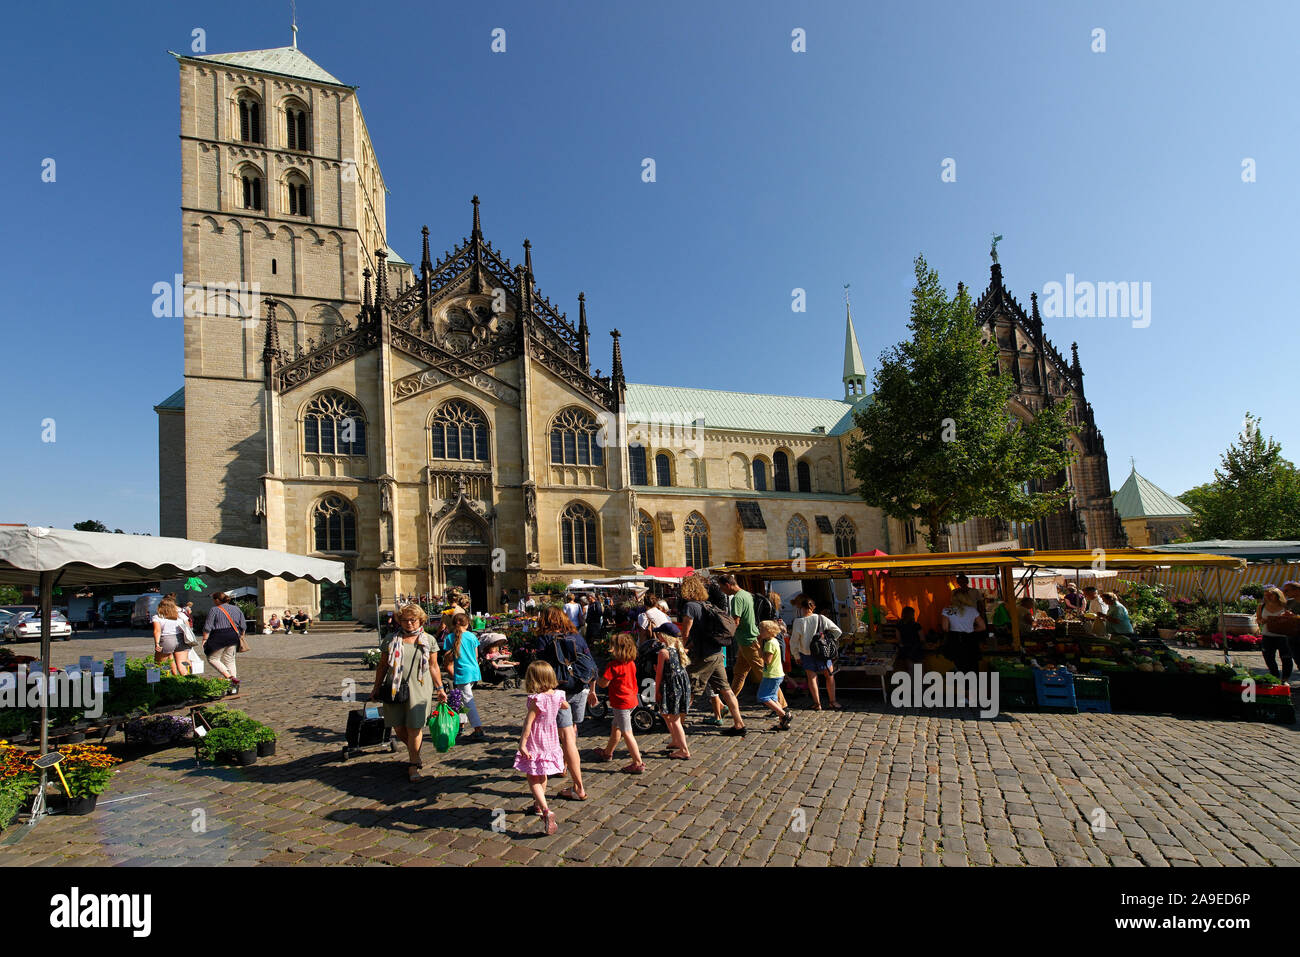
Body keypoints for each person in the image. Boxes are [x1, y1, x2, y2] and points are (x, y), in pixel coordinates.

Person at [371, 603, 446, 782]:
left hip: (420, 687)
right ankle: (415, 751)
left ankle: (413, 764)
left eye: (412, 620)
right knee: (398, 726)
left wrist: (440, 688)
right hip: (394, 688)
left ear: (420, 620)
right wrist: (376, 687)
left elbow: (434, 666)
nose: (409, 623)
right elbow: (382, 666)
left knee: (414, 726)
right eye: (404, 620)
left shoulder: (428, 640)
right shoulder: (391, 639)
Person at [528, 605, 595, 802]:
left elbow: (540, 669)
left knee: (566, 737)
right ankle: (563, 765)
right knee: (572, 730)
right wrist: (592, 690)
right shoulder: (576, 636)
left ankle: (579, 787)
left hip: (559, 691)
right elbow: (589, 662)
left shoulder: (544, 639)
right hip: (581, 687)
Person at [678, 574, 746, 735]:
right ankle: (739, 724)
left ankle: (677, 725)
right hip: (716, 653)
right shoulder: (706, 604)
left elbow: (686, 633)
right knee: (726, 690)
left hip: (704, 655)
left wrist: (681, 647)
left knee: (689, 688)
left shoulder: (690, 607)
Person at [514, 660, 569, 834]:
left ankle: (546, 810)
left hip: (536, 740)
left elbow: (528, 724)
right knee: (542, 772)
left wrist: (522, 742)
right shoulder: (558, 695)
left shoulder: (536, 700)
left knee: (532, 776)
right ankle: (538, 805)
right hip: (551, 740)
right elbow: (565, 706)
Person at [592, 631, 646, 772]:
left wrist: (595, 677)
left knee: (627, 732)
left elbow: (604, 684)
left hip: (621, 703)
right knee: (615, 727)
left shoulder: (613, 666)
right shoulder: (631, 663)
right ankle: (607, 752)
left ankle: (638, 762)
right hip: (631, 700)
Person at [720, 574, 769, 703]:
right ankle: (729, 702)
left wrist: (725, 636)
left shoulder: (737, 598)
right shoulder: (747, 594)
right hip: (745, 641)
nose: (723, 591)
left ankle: (781, 705)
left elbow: (735, 621)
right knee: (739, 673)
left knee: (763, 674)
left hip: (748, 641)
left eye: (722, 588)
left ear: (727, 585)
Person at [789, 594, 842, 710]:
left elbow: (793, 642)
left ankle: (817, 704)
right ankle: (833, 701)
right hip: (823, 652)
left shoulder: (798, 622)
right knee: (829, 677)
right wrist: (829, 639)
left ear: (801, 608)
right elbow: (838, 631)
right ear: (813, 607)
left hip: (806, 653)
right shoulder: (821, 618)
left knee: (812, 678)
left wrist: (796, 655)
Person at [441, 612, 485, 741]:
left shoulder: (450, 638)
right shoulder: (472, 636)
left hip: (462, 671)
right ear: (467, 624)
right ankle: (461, 724)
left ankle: (478, 728)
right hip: (474, 671)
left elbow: (447, 658)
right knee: (461, 699)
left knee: (467, 700)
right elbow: (476, 656)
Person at [653, 627, 692, 759]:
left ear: (664, 636)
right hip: (682, 686)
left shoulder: (663, 652)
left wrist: (656, 690)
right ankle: (676, 740)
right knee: (665, 713)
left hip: (671, 687)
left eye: (659, 634)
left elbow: (659, 674)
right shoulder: (680, 649)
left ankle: (684, 750)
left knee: (674, 719)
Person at [940, 590, 986, 701]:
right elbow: (983, 626)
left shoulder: (948, 610)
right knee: (972, 667)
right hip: (970, 639)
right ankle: (972, 696)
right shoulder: (972, 610)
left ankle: (965, 695)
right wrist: (971, 629)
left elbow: (945, 628)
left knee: (960, 667)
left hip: (955, 639)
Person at [202, 591, 246, 691]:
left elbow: (208, 626)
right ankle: (233, 687)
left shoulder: (214, 610)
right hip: (234, 635)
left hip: (219, 636)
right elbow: (243, 625)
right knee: (230, 659)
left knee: (212, 658)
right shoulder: (236, 608)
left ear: (217, 600)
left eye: (213, 599)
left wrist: (205, 639)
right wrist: (241, 636)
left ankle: (229, 677)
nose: (213, 601)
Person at [756, 620, 793, 731]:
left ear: (769, 631)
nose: (760, 632)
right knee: (773, 697)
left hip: (771, 675)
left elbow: (767, 660)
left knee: (763, 697)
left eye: (762, 630)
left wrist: (758, 648)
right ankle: (783, 723)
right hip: (776, 674)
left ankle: (784, 715)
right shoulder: (774, 641)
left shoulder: (769, 644)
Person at [1257, 587, 1294, 682]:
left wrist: (1287, 617)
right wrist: (1262, 621)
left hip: (1283, 636)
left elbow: (1293, 618)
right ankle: (1274, 675)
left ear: (1278, 596)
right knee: (1268, 658)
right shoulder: (1262, 606)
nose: (1267, 597)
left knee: (1286, 658)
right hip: (1267, 635)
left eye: (1270, 595)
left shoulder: (1286, 606)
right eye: (1265, 595)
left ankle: (1285, 679)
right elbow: (1258, 619)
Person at [153, 596, 192, 676]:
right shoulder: (180, 616)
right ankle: (188, 684)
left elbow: (157, 631)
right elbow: (188, 628)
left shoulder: (157, 617)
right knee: (182, 666)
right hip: (181, 639)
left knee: (158, 665)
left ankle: (159, 683)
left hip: (167, 639)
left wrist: (157, 643)